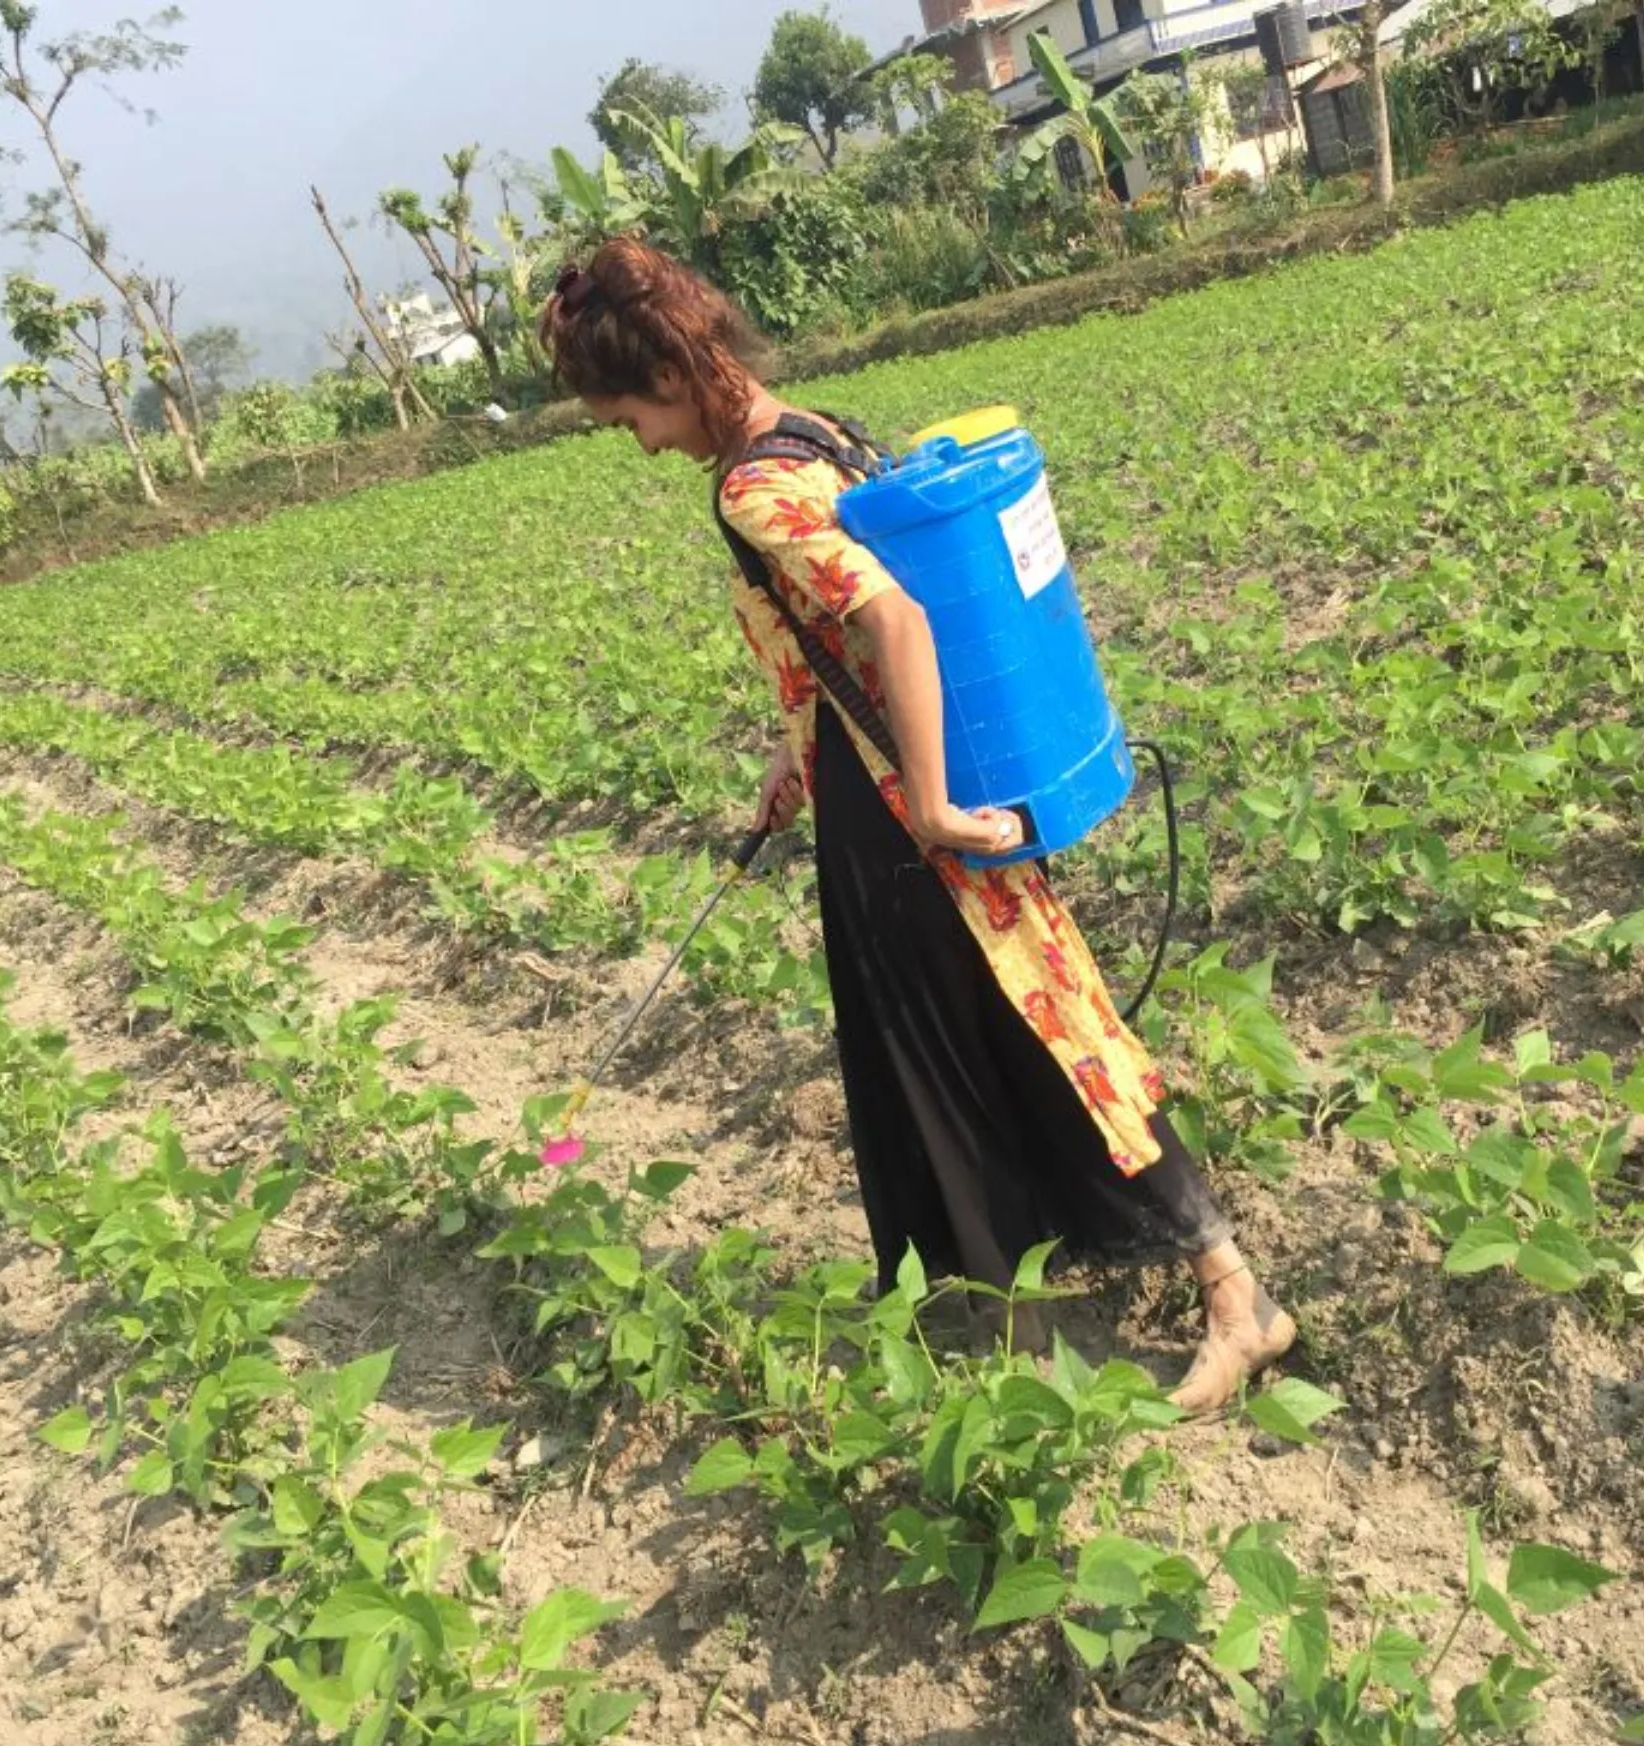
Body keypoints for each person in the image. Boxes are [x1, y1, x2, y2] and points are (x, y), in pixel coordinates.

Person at [538, 238, 1295, 1413]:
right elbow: (833, 643)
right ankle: (1165, 1295)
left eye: (624, 413)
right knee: (1045, 1022)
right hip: (889, 774)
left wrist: (930, 808)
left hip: (906, 812)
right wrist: (800, 760)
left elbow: (894, 621)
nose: (636, 439)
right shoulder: (817, 435)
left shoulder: (751, 484)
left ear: (674, 376)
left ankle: (1131, 1314)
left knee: (992, 1051)